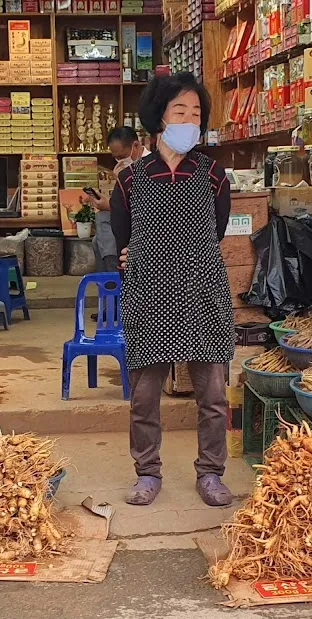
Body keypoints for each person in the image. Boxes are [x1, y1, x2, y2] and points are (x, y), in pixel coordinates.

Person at [110, 72, 234, 508]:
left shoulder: (214, 174)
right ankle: (147, 473)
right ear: (159, 117)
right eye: (180, 110)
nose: (189, 119)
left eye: (196, 113)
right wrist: (134, 258)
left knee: (214, 395)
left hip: (204, 290)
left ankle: (211, 474)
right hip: (150, 293)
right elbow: (122, 236)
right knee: (144, 395)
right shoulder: (131, 178)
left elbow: (216, 229)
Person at [91, 127, 148, 272]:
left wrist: (122, 182)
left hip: (144, 225)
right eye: (116, 158)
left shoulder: (150, 165)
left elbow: (143, 205)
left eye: (122, 157)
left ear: (136, 146)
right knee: (97, 240)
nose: (119, 161)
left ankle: (112, 276)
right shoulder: (128, 168)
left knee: (103, 223)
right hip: (128, 221)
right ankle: (109, 284)